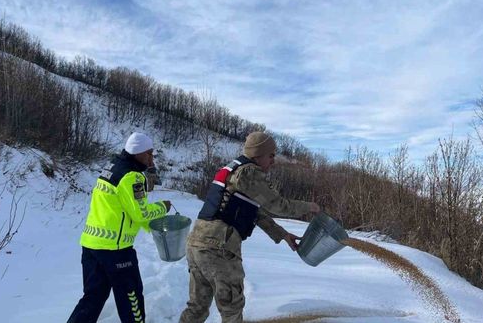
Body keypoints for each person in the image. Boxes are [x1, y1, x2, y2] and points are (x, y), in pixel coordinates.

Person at [179, 131, 320, 323]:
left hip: (197, 244)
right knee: (231, 308)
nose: (273, 161)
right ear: (257, 155)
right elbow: (278, 205)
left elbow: (256, 212)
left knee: (197, 307)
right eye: (271, 155)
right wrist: (309, 207)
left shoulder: (232, 171)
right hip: (219, 247)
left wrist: (283, 235)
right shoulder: (249, 172)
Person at [68, 132, 172, 323]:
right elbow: (140, 212)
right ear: (138, 153)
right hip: (115, 251)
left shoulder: (111, 168)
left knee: (92, 298)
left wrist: (153, 229)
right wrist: (162, 208)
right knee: (131, 299)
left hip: (91, 245)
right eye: (148, 153)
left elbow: (125, 209)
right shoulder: (132, 177)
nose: (151, 158)